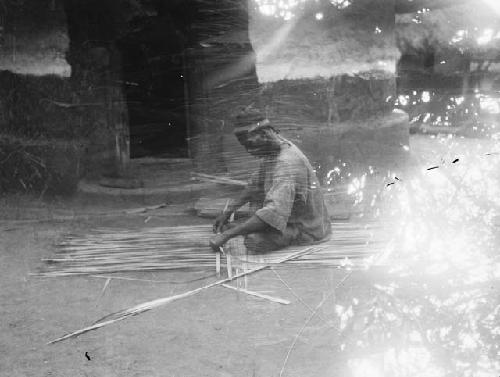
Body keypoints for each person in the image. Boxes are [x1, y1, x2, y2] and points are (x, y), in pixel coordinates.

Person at [209, 107, 331, 254]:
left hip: (306, 229)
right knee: (238, 225)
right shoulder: (275, 147)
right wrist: (228, 211)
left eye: (250, 144)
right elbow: (256, 184)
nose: (249, 151)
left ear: (264, 133)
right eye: (245, 147)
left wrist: (226, 236)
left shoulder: (286, 163)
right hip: (292, 219)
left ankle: (287, 236)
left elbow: (272, 213)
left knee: (254, 242)